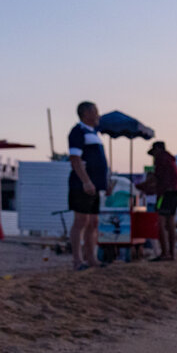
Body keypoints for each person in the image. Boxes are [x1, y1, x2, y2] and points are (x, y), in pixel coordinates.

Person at [67, 101, 109, 270]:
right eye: (95, 112)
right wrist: (85, 181)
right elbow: (75, 159)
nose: (98, 115)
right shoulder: (78, 131)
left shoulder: (94, 133)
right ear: (86, 113)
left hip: (95, 185)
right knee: (81, 221)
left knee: (93, 222)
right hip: (82, 184)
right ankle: (77, 260)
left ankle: (91, 258)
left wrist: (105, 182)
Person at [147, 140, 177, 261]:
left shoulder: (161, 159)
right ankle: (171, 253)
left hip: (166, 193)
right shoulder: (170, 160)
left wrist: (146, 183)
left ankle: (164, 253)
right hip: (175, 192)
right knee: (170, 221)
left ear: (157, 150)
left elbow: (158, 178)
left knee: (160, 221)